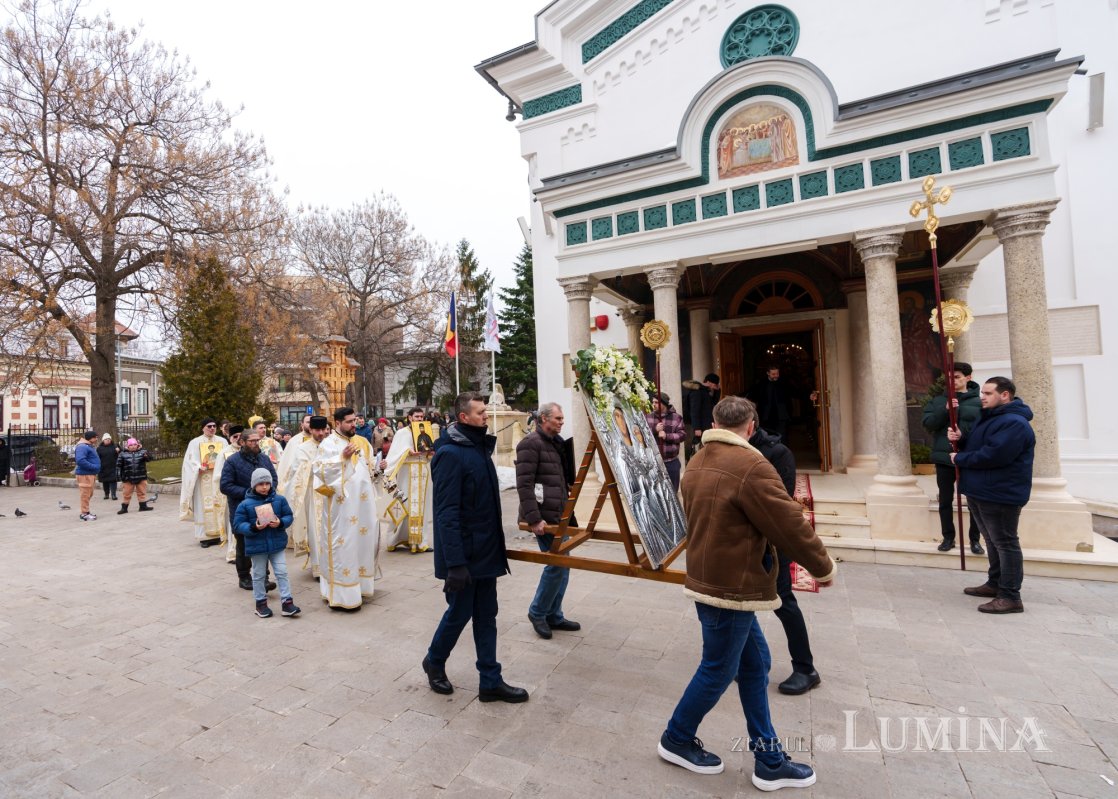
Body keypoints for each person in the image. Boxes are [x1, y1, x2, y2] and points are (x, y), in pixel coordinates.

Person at [658, 396, 835, 790]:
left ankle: (768, 758)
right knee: (718, 669)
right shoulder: (752, 465)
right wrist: (823, 565)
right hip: (731, 585)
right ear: (751, 426)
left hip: (710, 575)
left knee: (755, 665)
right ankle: (677, 737)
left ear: (716, 422)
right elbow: (789, 523)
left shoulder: (698, 461)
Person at [422, 392, 526, 702]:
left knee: (487, 614)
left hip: (486, 551)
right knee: (459, 613)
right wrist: (454, 563)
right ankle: (435, 661)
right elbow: (447, 513)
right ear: (464, 417)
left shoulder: (478, 447)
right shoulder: (451, 454)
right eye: (481, 412)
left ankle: (490, 680)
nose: (486, 416)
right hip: (464, 556)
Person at [741, 399, 820, 696]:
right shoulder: (728, 450)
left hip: (770, 543)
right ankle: (750, 661)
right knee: (741, 603)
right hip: (739, 543)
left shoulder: (777, 453)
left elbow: (781, 502)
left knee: (784, 603)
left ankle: (805, 668)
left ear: (751, 425)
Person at [949, 376, 1034, 614]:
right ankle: (995, 583)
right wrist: (961, 439)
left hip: (1000, 492)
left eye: (987, 393)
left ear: (1004, 395)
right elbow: (980, 445)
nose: (982, 397)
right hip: (980, 489)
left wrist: (960, 458)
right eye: (982, 393)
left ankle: (1010, 596)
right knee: (992, 541)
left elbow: (995, 455)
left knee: (1006, 543)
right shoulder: (990, 418)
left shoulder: (1014, 423)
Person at [516, 402, 581, 641]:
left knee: (562, 564)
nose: (562, 422)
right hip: (543, 517)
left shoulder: (555, 443)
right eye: (558, 418)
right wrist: (534, 518)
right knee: (557, 564)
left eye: (562, 418)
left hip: (559, 515)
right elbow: (524, 484)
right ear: (544, 419)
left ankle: (554, 614)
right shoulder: (530, 444)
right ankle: (538, 612)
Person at [312, 407, 379, 609]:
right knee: (344, 546)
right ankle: (342, 595)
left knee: (361, 542)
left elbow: (365, 468)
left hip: (362, 505)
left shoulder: (358, 441)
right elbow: (320, 472)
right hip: (341, 509)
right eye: (349, 422)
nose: (354, 424)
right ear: (338, 422)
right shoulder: (328, 444)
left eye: (355, 421)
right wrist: (342, 458)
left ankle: (361, 586)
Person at [923, 363, 984, 554]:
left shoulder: (980, 402)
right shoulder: (938, 400)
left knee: (975, 500)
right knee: (945, 500)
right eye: (949, 377)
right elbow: (928, 423)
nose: (953, 380)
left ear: (968, 377)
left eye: (957, 376)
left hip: (969, 458)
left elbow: (983, 430)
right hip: (945, 457)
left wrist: (962, 436)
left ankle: (975, 539)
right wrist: (945, 409)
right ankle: (948, 537)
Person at [233, 468, 301, 619]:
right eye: (260, 484)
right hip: (257, 547)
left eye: (267, 483)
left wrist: (280, 522)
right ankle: (260, 603)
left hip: (277, 545)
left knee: (282, 572)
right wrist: (253, 527)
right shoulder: (245, 504)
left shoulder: (280, 500)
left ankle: (287, 602)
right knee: (258, 575)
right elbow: (237, 525)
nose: (264, 487)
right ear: (253, 485)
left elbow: (289, 515)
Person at [221, 428, 278, 592]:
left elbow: (273, 478)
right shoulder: (232, 461)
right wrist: (248, 492)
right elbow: (225, 486)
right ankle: (244, 577)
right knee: (244, 544)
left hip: (264, 507)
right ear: (242, 442)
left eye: (257, 441)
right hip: (242, 509)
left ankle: (264, 578)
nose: (255, 444)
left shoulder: (264, 459)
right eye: (252, 441)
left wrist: (269, 490)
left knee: (264, 542)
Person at [279, 415, 330, 575]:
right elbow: (297, 469)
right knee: (316, 530)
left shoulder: (332, 445)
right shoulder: (302, 448)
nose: (321, 433)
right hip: (313, 495)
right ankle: (319, 568)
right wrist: (319, 467)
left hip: (332, 493)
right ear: (311, 430)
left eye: (323, 430)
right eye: (317, 430)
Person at [382, 406, 435, 552]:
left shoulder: (427, 432)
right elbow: (394, 454)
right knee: (404, 505)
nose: (419, 419)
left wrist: (431, 452)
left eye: (421, 417)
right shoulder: (402, 433)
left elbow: (428, 454)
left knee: (422, 507)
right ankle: (396, 538)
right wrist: (407, 452)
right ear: (410, 418)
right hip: (407, 473)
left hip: (423, 473)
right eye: (417, 417)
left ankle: (419, 542)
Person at [180, 418, 228, 547]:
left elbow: (227, 457)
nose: (212, 428)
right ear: (203, 428)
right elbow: (189, 461)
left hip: (217, 479)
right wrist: (198, 467)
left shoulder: (222, 441)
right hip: (203, 480)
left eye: (214, 426)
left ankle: (220, 534)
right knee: (203, 507)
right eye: (209, 426)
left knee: (219, 504)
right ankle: (204, 538)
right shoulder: (195, 443)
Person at [644, 392, 686, 490]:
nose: (653, 405)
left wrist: (667, 436)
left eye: (656, 402)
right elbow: (642, 436)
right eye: (652, 402)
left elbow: (682, 436)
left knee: (673, 492)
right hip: (654, 462)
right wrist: (654, 430)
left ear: (664, 403)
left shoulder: (676, 418)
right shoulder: (648, 417)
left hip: (671, 462)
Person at [214, 426, 244, 560]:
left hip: (246, 492)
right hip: (232, 493)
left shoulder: (247, 450)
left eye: (240, 436)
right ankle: (233, 553)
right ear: (230, 438)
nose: (238, 439)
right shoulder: (224, 453)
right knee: (234, 523)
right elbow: (218, 475)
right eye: (234, 436)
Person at [748, 366, 794, 445]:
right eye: (773, 374)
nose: (776, 376)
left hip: (781, 415)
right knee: (767, 437)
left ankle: (782, 454)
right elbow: (751, 394)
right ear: (768, 373)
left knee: (782, 438)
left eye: (777, 373)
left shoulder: (784, 383)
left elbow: (795, 391)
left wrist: (809, 394)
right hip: (766, 416)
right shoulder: (761, 384)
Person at [116, 438, 153, 514]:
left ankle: (143, 506)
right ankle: (124, 508)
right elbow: (118, 465)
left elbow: (150, 459)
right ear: (128, 446)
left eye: (134, 444)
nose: (133, 446)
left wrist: (147, 456)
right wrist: (118, 475)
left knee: (142, 492)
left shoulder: (143, 452)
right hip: (128, 478)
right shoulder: (122, 454)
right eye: (131, 445)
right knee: (126, 493)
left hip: (141, 476)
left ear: (137, 445)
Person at [277, 414, 312, 487]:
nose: (311, 424)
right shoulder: (294, 441)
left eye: (312, 422)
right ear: (302, 424)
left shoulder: (320, 439)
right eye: (308, 422)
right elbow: (287, 463)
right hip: (298, 480)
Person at [687, 373, 720, 448]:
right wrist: (697, 428)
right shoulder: (697, 391)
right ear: (708, 382)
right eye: (714, 385)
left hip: (706, 425)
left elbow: (714, 403)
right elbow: (694, 410)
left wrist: (718, 390)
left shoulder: (705, 391)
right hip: (701, 427)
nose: (714, 388)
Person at [74, 430, 101, 521]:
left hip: (89, 474)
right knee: (85, 494)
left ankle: (86, 511)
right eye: (95, 437)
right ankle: (84, 514)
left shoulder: (87, 446)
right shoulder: (82, 447)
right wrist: (93, 467)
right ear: (91, 438)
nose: (97, 439)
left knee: (89, 493)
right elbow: (80, 460)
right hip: (85, 474)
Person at [97, 433, 119, 501]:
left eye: (109, 439)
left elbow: (120, 454)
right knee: (105, 482)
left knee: (113, 481)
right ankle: (106, 494)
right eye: (106, 439)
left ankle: (113, 494)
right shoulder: (100, 448)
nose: (108, 440)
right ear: (103, 440)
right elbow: (97, 457)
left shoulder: (115, 446)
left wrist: (118, 451)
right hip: (103, 467)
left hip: (113, 466)